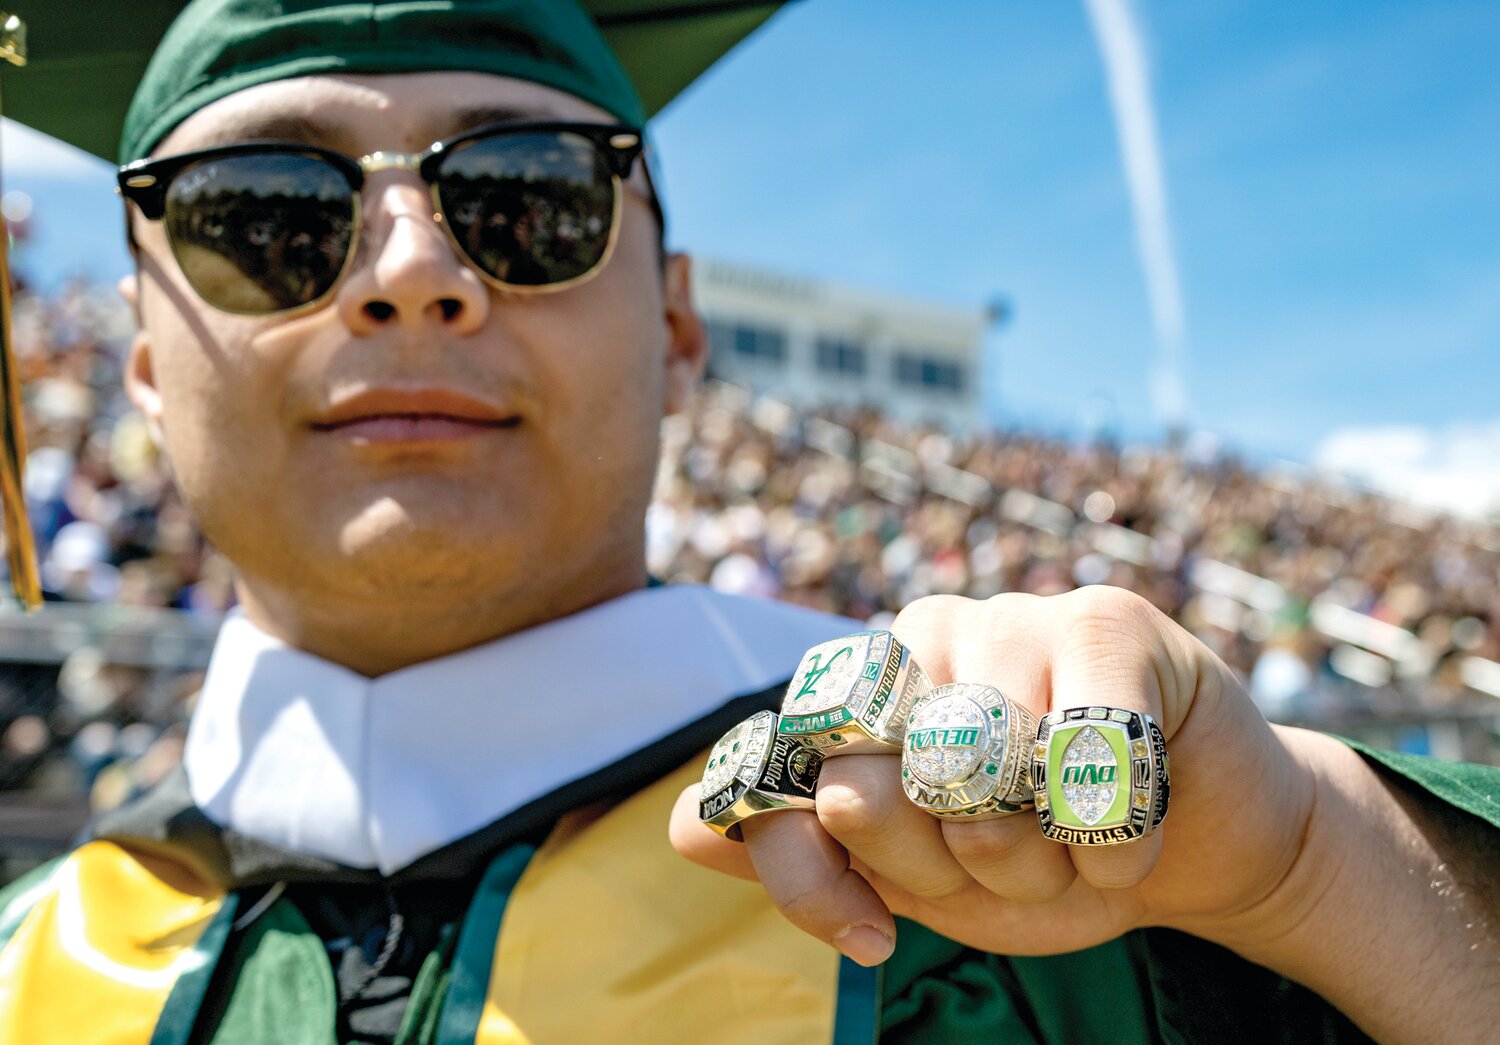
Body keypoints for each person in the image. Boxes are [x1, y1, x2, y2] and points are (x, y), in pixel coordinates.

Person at [0, 1, 1496, 1042]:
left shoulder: (1027, 904)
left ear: (678, 317)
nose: (407, 271)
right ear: (139, 352)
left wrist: (1317, 872)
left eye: (528, 198)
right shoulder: (26, 966)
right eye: (263, 214)